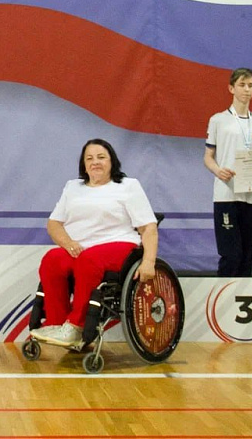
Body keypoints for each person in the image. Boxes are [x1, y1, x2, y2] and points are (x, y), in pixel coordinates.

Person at [30, 139, 158, 349]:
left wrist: (149, 261)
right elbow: (54, 223)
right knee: (52, 259)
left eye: (101, 157)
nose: (95, 162)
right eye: (89, 158)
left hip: (118, 245)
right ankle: (57, 323)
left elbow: (148, 227)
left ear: (112, 161)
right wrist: (68, 243)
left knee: (88, 260)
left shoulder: (128, 186)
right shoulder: (73, 187)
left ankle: (76, 325)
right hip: (80, 248)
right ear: (84, 164)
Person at [203, 68, 252, 277]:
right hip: (226, 195)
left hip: (250, 196)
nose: (246, 90)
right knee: (230, 254)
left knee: (246, 255)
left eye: (250, 85)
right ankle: (223, 293)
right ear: (231, 88)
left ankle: (242, 294)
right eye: (242, 85)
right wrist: (218, 171)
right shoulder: (218, 120)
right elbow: (208, 157)